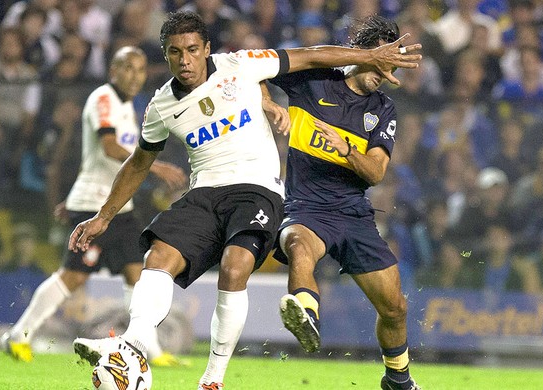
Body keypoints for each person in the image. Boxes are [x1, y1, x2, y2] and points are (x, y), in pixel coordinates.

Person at [68, 11, 421, 390]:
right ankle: (131, 348)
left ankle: (214, 380)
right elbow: (138, 162)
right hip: (232, 196)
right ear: (166, 56)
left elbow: (314, 60)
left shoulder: (242, 65)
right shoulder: (161, 105)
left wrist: (344, 128)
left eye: (191, 50)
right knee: (160, 257)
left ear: (206, 49)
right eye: (175, 52)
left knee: (242, 269)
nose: (185, 60)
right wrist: (103, 216)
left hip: (279, 194)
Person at [0, 46, 189, 367]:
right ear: (113, 71)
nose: (134, 75)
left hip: (117, 207)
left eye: (140, 69)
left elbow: (95, 159)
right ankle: (18, 335)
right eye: (127, 67)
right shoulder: (103, 98)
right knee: (72, 277)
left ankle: (150, 349)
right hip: (94, 207)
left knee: (138, 275)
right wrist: (154, 168)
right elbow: (108, 147)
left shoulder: (127, 106)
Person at [268, 15, 421, 390]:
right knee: (300, 246)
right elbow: (256, 66)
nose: (386, 73)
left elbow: (376, 172)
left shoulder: (382, 110)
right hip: (306, 207)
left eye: (393, 66)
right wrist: (269, 105)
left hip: (354, 214)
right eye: (385, 61)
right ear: (367, 52)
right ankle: (305, 312)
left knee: (395, 308)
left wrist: (347, 150)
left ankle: (397, 379)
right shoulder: (312, 81)